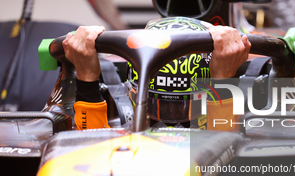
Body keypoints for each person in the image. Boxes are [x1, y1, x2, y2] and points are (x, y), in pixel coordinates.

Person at [62, 25, 251, 130]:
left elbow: (226, 159)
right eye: (158, 106)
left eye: (181, 107)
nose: (169, 125)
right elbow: (90, 153)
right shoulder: (120, 120)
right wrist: (86, 77)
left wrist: (223, 80)